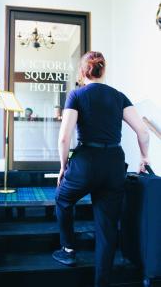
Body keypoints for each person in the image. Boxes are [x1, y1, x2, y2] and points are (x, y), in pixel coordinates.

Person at [52, 51, 150, 287]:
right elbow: (144, 132)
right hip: (114, 163)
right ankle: (102, 282)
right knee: (106, 227)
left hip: (86, 162)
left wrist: (63, 167)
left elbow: (64, 138)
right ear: (102, 70)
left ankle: (68, 249)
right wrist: (143, 158)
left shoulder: (76, 95)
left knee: (63, 199)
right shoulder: (119, 96)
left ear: (83, 72)